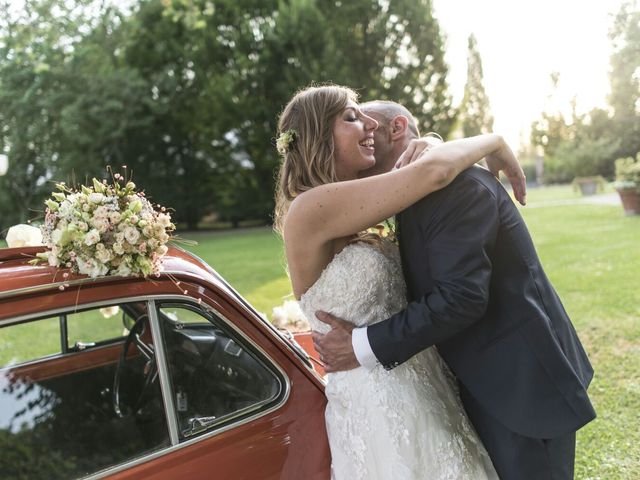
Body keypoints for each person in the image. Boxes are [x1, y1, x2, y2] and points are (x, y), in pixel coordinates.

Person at [313, 100, 596, 479]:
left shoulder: (456, 189)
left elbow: (461, 298)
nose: (362, 130)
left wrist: (361, 345)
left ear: (397, 129)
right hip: (475, 376)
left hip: (518, 380)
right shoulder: (409, 190)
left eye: (369, 125)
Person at [274, 84, 526, 480]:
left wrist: (428, 140)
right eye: (352, 116)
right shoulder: (311, 208)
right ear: (318, 135)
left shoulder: (357, 201)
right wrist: (493, 139)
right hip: (378, 403)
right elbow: (436, 171)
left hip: (423, 382)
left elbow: (422, 167)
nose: (370, 123)